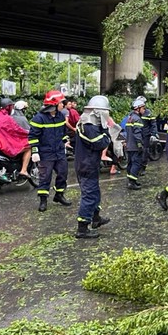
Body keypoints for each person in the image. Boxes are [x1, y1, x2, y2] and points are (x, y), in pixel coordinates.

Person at [74, 96, 112, 239]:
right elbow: (101, 143)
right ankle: (82, 228)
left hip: (89, 163)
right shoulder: (89, 126)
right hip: (86, 165)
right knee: (89, 196)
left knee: (95, 193)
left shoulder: (87, 123)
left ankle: (95, 218)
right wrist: (107, 132)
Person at [29, 91, 72, 212]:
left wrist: (65, 142)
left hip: (59, 151)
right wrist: (35, 151)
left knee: (63, 173)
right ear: (53, 104)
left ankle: (59, 195)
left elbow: (63, 133)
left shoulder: (60, 116)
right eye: (61, 102)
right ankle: (43, 200)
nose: (63, 105)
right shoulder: (39, 118)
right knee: (45, 177)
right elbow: (32, 137)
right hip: (45, 153)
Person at [124, 97, 147, 190]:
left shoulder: (130, 118)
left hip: (129, 145)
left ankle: (131, 180)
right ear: (138, 109)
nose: (144, 110)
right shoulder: (137, 119)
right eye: (143, 108)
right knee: (136, 163)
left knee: (130, 163)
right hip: (135, 146)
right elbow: (137, 133)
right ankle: (132, 183)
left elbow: (127, 131)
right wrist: (139, 144)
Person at [139, 97, 157, 175]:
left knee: (145, 151)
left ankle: (143, 167)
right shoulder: (135, 113)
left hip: (146, 135)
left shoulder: (148, 113)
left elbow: (153, 124)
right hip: (138, 135)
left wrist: (153, 134)